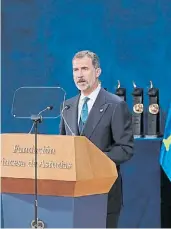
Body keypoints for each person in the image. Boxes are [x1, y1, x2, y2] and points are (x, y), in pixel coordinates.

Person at [59, 50, 134, 228]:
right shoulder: (67, 106)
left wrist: (92, 158)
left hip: (103, 194)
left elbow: (126, 149)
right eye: (75, 70)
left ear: (97, 72)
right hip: (72, 197)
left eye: (84, 69)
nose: (80, 75)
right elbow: (64, 145)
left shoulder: (116, 105)